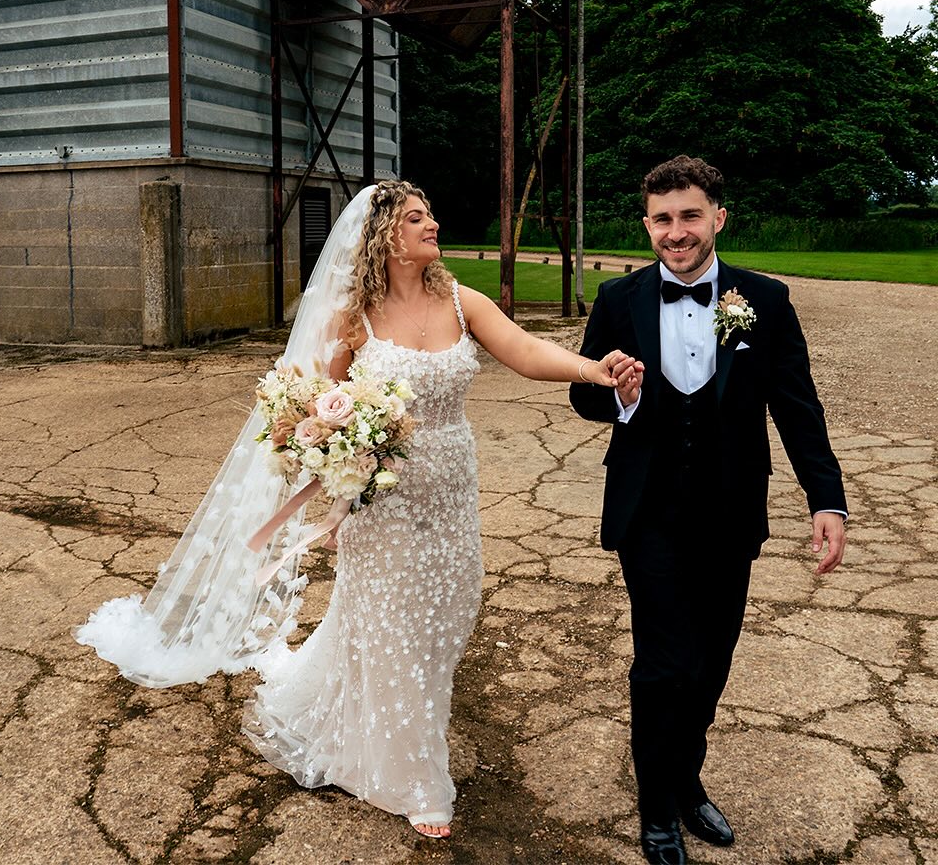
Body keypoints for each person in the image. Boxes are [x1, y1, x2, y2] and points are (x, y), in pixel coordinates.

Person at [76, 179, 639, 840]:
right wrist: (336, 483)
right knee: (395, 628)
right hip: (387, 501)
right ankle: (418, 779)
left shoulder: (462, 300)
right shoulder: (354, 319)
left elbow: (523, 350)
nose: (433, 225)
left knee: (448, 616)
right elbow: (312, 412)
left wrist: (593, 369)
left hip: (453, 491)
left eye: (431, 214)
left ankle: (369, 718)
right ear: (384, 237)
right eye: (417, 218)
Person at [569, 155, 847, 865]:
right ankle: (658, 810)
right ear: (647, 224)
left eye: (689, 215)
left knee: (711, 662)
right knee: (664, 663)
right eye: (662, 219)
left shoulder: (765, 300)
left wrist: (827, 499)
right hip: (646, 511)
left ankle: (685, 778)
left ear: (718, 217)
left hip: (729, 510)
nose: (676, 232)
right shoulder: (618, 299)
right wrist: (620, 394)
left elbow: (797, 407)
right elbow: (584, 393)